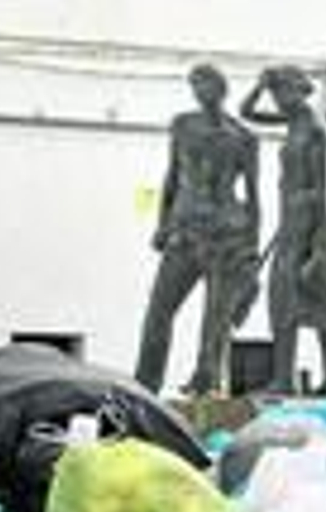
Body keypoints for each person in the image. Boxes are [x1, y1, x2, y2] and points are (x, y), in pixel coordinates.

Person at [135, 64, 261, 396]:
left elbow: (253, 195)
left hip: (227, 235)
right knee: (158, 313)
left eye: (204, 85)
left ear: (221, 90)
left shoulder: (244, 138)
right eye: (194, 86)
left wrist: (252, 249)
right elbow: (172, 176)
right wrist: (161, 223)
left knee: (215, 325)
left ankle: (205, 384)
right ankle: (145, 385)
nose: (199, 92)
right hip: (184, 232)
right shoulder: (182, 126)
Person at [241, 65, 326, 396]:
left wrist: (319, 245)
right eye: (276, 95)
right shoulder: (292, 123)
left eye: (283, 92)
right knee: (282, 300)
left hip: (307, 221)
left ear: (299, 91)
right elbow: (246, 112)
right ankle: (284, 378)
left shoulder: (312, 129)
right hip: (289, 220)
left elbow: (320, 189)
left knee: (317, 299)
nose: (279, 101)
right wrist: (260, 84)